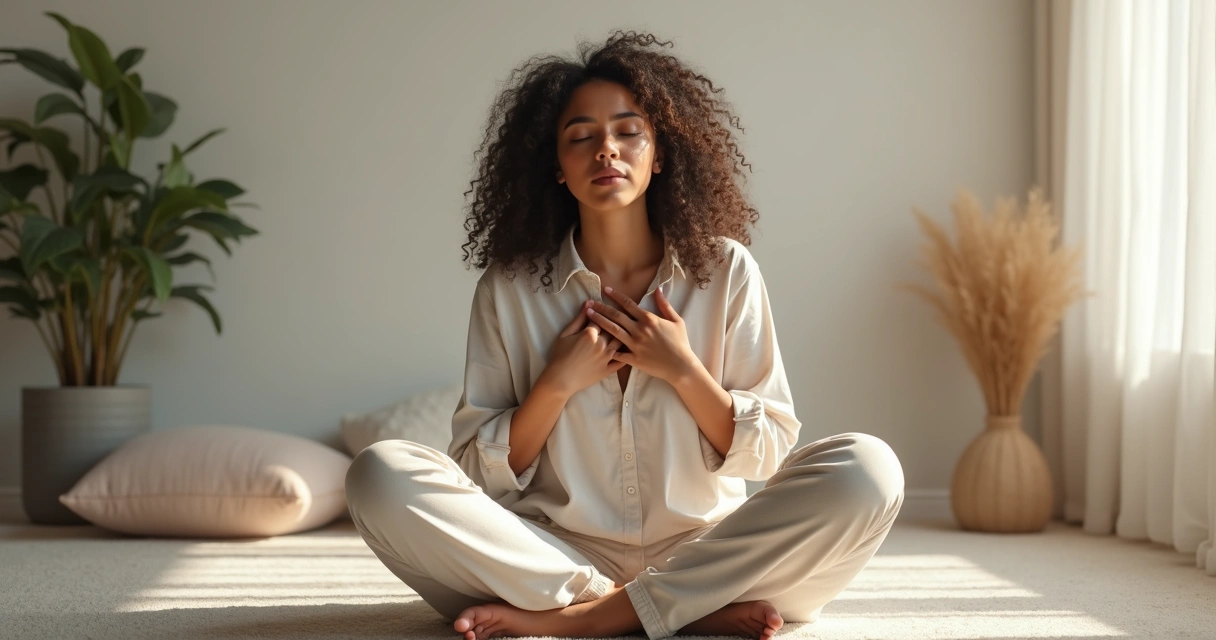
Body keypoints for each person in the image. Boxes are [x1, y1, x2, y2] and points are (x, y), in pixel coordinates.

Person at [345, 31, 905, 640]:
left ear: (659, 154)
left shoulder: (725, 270)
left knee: (868, 468)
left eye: (628, 131)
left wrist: (683, 369)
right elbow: (481, 474)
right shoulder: (508, 288)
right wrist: (556, 385)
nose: (606, 149)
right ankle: (671, 609)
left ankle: (587, 620)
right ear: (556, 167)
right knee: (379, 474)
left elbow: (767, 452)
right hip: (552, 555)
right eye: (580, 136)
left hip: (711, 550)